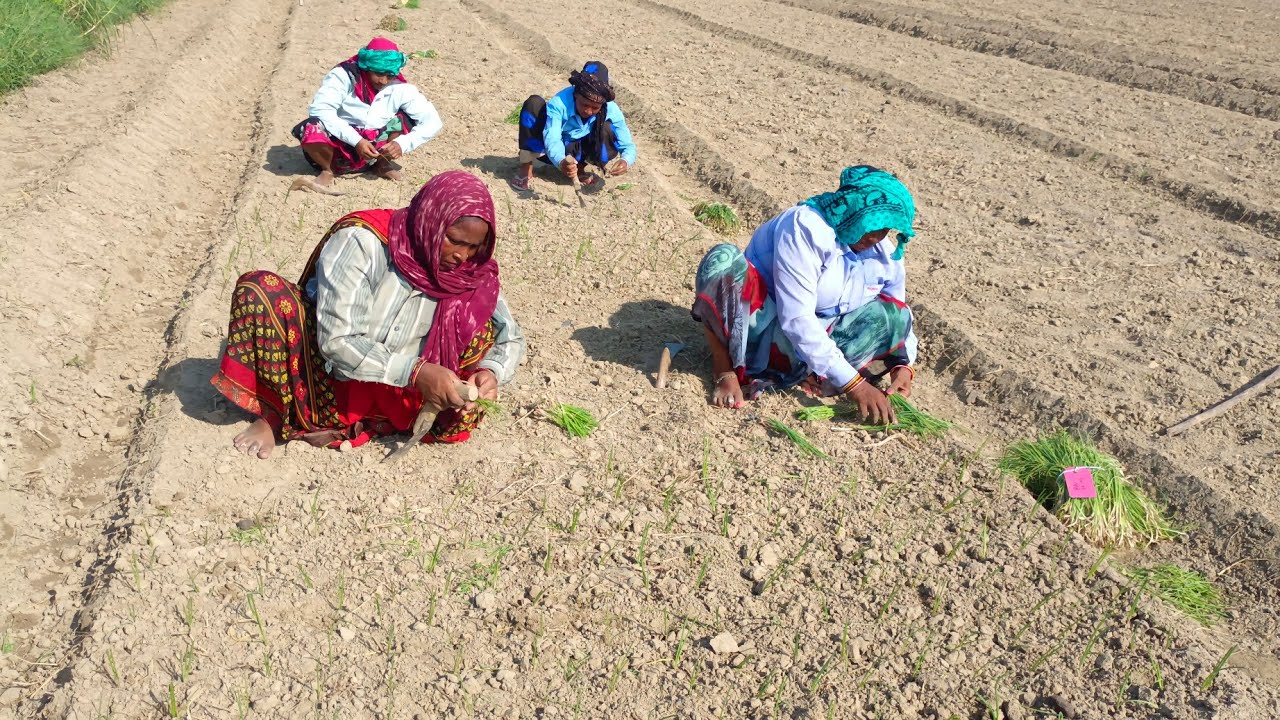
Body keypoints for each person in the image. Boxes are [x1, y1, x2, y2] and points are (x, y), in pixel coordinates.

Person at [211, 171, 524, 459]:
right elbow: (337, 341)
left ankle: (390, 416)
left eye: (473, 246)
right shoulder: (363, 242)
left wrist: (491, 372)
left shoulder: (469, 270)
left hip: (409, 391)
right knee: (261, 291)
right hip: (327, 377)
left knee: (480, 318)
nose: (461, 255)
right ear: (431, 221)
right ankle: (275, 413)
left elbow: (509, 336)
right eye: (454, 240)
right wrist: (416, 371)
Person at [691, 165, 919, 424]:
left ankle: (808, 375)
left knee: (895, 316)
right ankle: (724, 369)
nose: (876, 236)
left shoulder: (885, 256)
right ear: (851, 207)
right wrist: (855, 385)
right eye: (871, 224)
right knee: (722, 262)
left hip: (811, 346)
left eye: (885, 229)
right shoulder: (805, 227)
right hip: (759, 329)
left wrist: (903, 367)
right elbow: (796, 318)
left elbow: (900, 315)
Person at [291, 37, 443, 189]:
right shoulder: (344, 76)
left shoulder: (400, 87)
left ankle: (381, 164)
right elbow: (320, 109)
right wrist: (357, 140)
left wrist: (402, 144)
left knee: (407, 118)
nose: (384, 81)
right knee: (311, 126)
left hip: (375, 149)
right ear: (366, 67)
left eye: (389, 75)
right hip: (338, 148)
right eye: (379, 73)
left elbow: (433, 122)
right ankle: (327, 169)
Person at [509, 61, 637, 192]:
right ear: (576, 95)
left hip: (577, 148)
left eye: (595, 108)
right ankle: (526, 168)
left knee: (607, 129)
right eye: (584, 104)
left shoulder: (611, 109)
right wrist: (561, 161)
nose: (588, 111)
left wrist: (625, 161)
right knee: (534, 104)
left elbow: (627, 144)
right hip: (548, 148)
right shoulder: (559, 103)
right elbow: (552, 139)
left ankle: (579, 168)